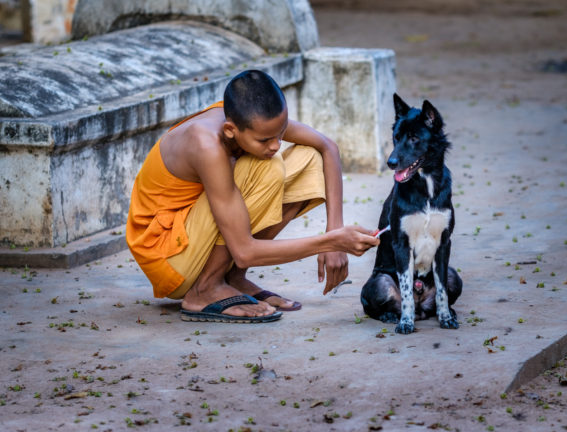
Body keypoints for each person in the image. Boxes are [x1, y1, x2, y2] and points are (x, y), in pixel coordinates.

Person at [126, 70, 378, 323]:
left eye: (281, 134)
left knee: (309, 159)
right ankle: (206, 288)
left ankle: (232, 278)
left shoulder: (252, 120)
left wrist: (335, 226)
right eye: (265, 139)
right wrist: (331, 242)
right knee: (265, 167)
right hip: (167, 255)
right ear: (230, 129)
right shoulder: (206, 144)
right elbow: (245, 250)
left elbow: (327, 146)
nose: (276, 144)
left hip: (196, 236)